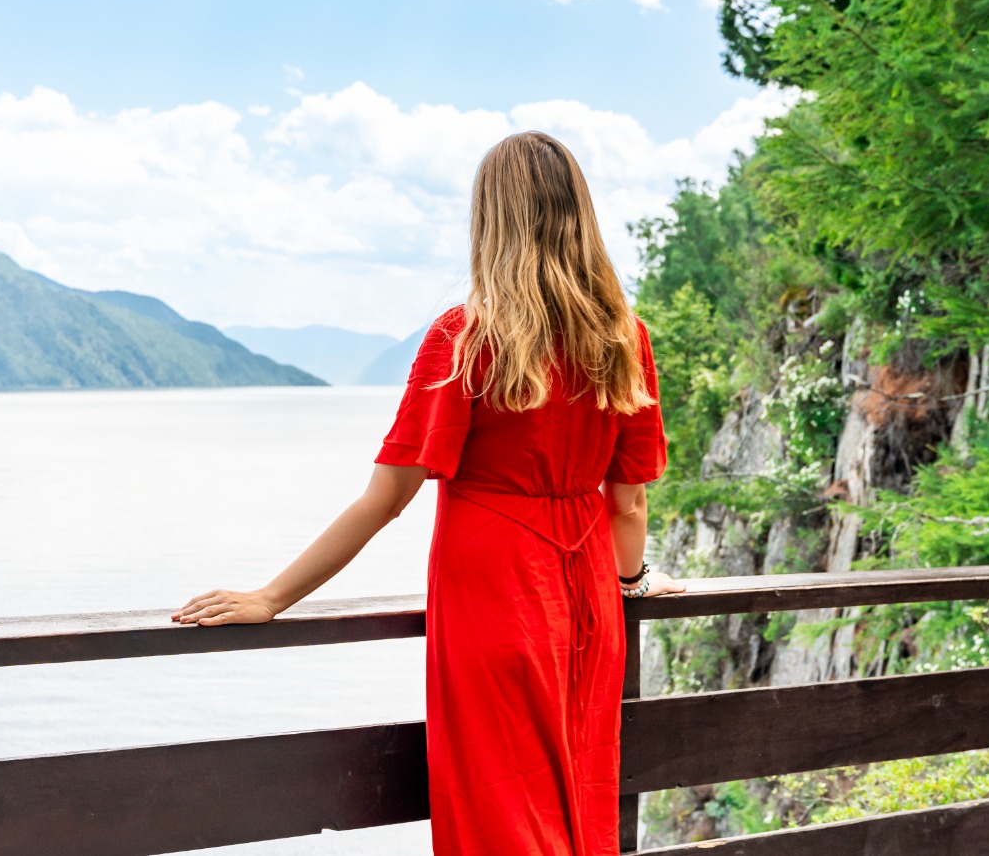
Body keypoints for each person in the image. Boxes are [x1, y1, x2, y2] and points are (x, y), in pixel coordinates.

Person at [172, 130, 686, 856]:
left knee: (502, 807)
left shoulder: (466, 338)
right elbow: (627, 504)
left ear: (491, 219)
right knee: (579, 787)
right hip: (587, 602)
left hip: (496, 593)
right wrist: (629, 583)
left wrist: (272, 597)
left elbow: (385, 500)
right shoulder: (623, 337)